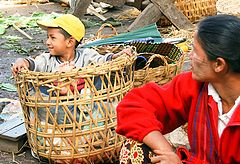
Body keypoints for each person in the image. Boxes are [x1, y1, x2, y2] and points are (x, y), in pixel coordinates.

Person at [116, 14, 240, 163]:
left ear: (219, 64)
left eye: (195, 51)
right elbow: (133, 106)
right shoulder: (196, 86)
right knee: (134, 150)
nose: (190, 56)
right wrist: (165, 150)